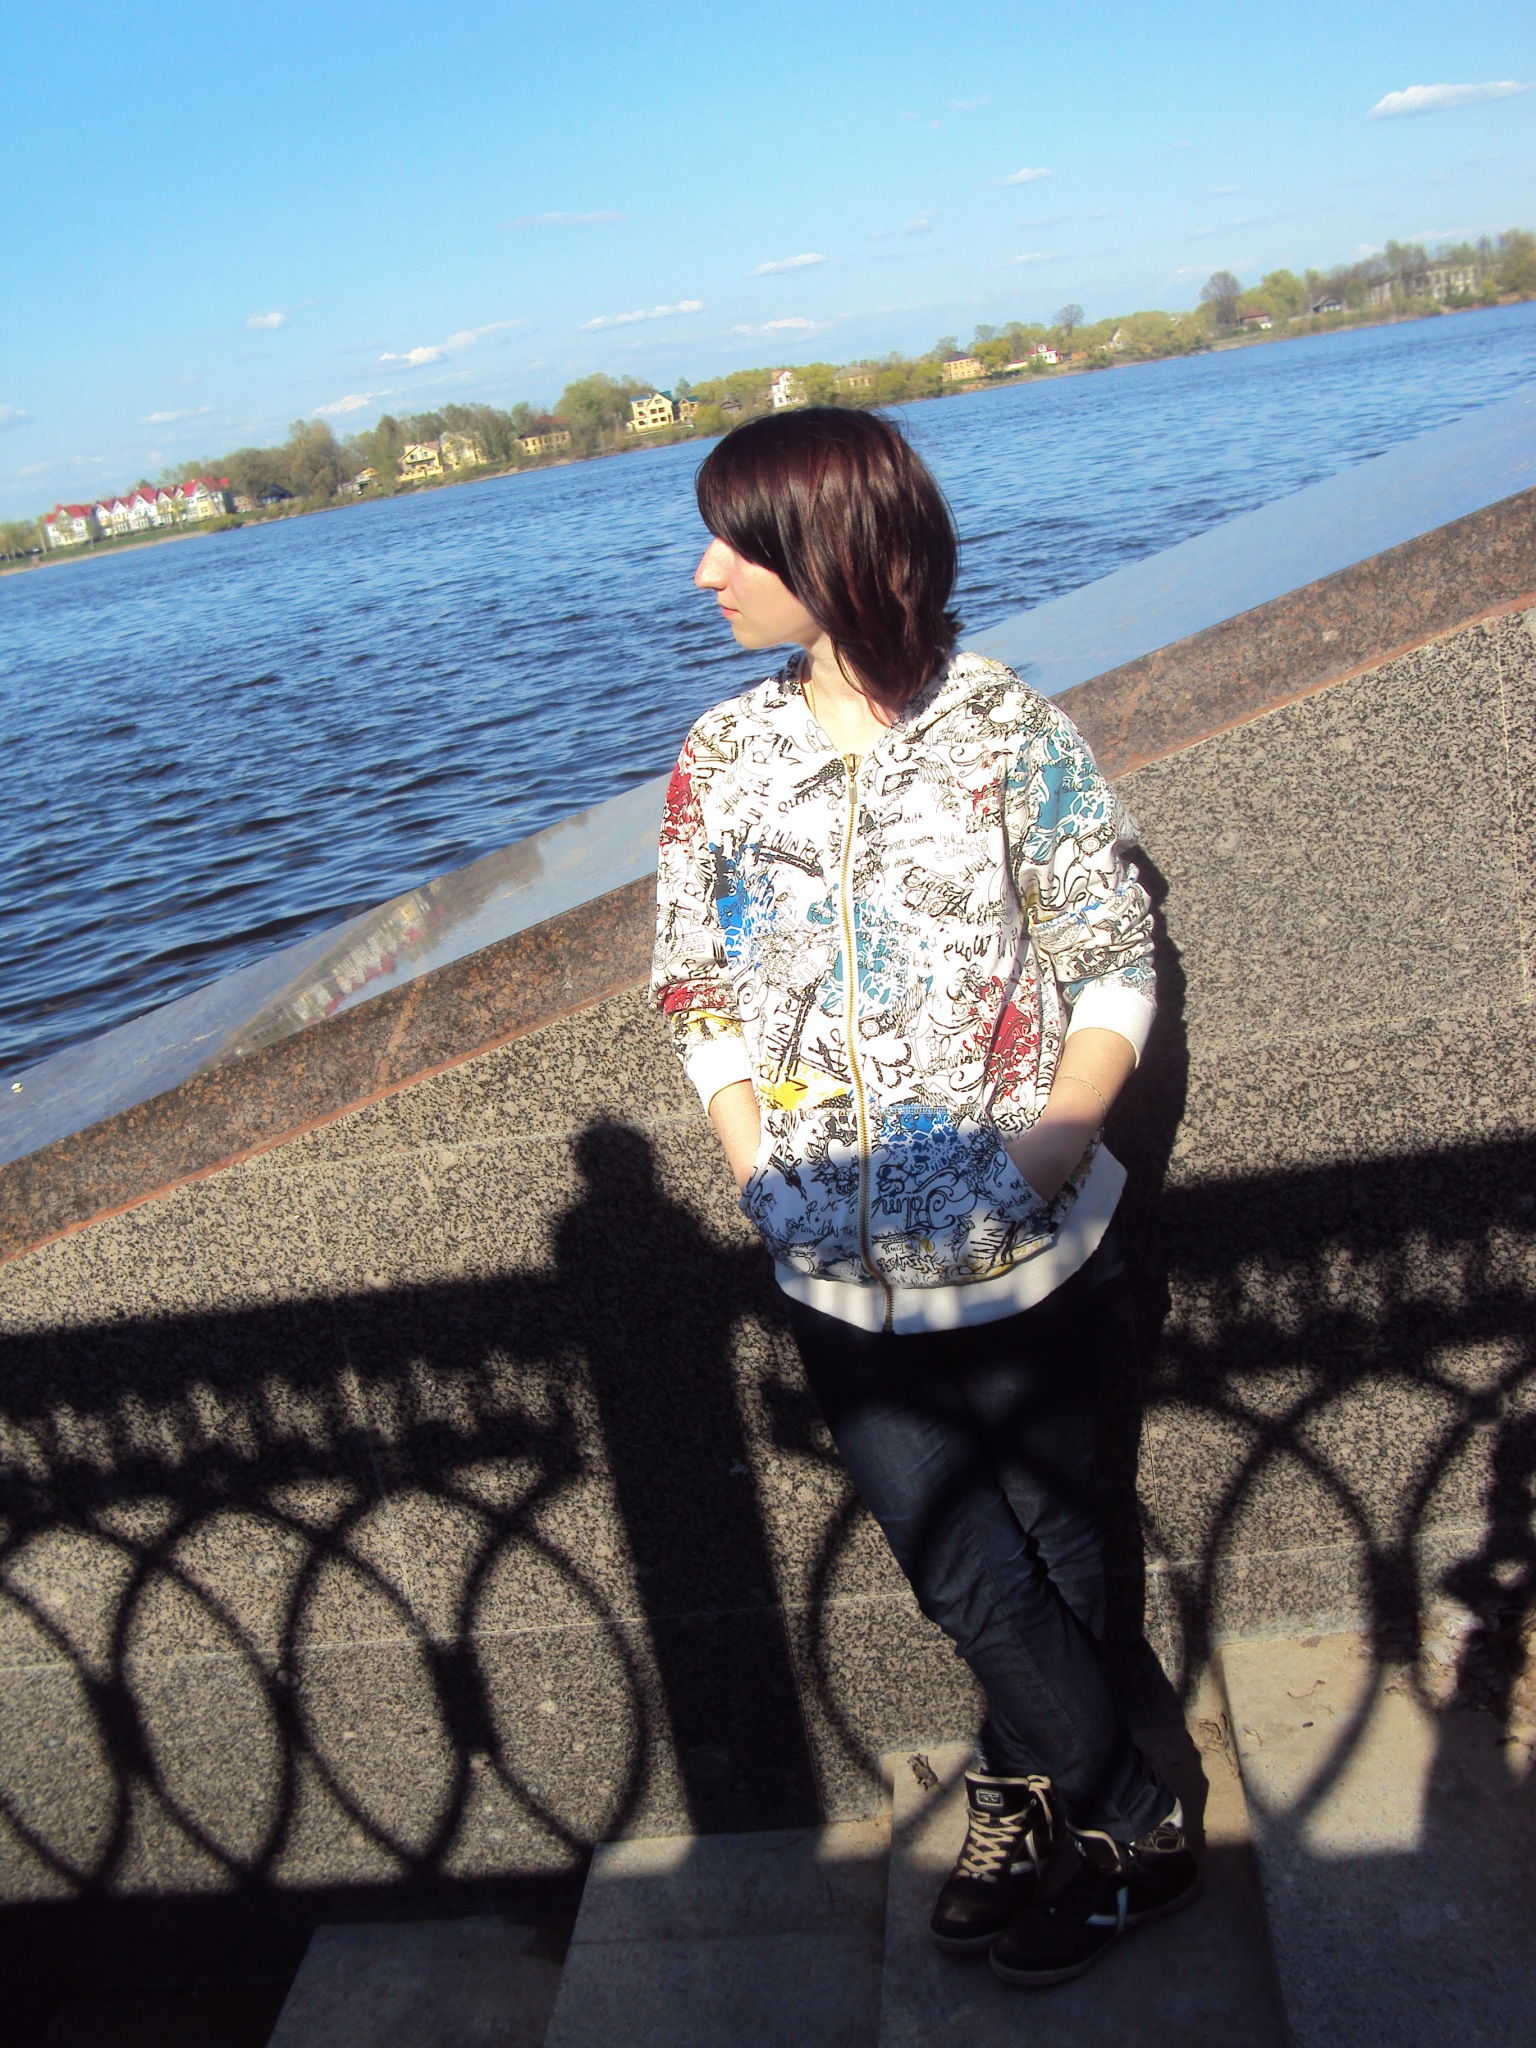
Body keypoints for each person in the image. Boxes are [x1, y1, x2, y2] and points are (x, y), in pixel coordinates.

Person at [650, 406, 1198, 1987]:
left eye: (736, 544)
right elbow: (695, 986)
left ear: (831, 551)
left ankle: (1037, 1796)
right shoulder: (722, 756)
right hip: (835, 1267)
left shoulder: (1008, 729)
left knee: (1063, 1539)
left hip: (1026, 1252)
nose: (705, 576)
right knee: (956, 1561)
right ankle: (1139, 1821)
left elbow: (1113, 955)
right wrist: (759, 1170)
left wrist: (1049, 1150)